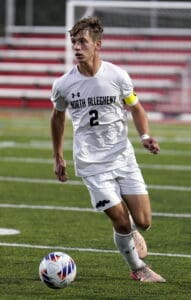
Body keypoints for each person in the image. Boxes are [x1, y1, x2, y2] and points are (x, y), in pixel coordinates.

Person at [50, 16, 166, 283]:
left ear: (98, 44)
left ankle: (134, 231)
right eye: (74, 42)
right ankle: (138, 269)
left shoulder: (117, 76)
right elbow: (56, 117)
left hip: (123, 157)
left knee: (144, 221)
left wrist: (145, 135)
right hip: (91, 163)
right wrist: (58, 155)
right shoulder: (64, 85)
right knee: (121, 222)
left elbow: (135, 107)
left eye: (82, 42)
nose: (76, 48)